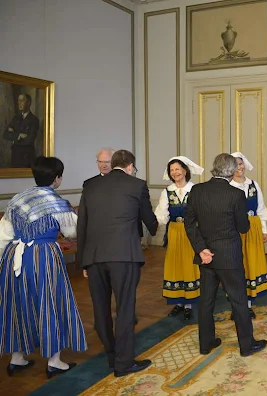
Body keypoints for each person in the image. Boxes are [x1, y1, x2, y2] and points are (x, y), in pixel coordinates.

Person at [0, 156, 86, 378]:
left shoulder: (17, 199)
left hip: (14, 257)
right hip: (44, 256)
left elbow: (4, 235)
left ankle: (16, 358)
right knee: (50, 304)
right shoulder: (58, 203)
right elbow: (72, 233)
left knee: (18, 303)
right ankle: (54, 361)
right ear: (57, 178)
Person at [77, 149, 158, 377]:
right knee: (124, 309)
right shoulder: (137, 185)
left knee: (100, 309)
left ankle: (112, 356)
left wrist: (83, 261)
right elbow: (148, 219)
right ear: (130, 166)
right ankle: (124, 363)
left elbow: (81, 225)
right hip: (124, 256)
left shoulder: (90, 186)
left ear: (112, 164)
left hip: (94, 257)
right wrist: (157, 226)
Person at [184, 153, 267, 357]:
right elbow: (243, 227)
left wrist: (201, 248)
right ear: (231, 171)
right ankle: (247, 346)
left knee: (206, 301)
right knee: (238, 300)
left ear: (214, 168)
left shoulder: (197, 190)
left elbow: (188, 223)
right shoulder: (236, 195)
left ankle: (206, 343)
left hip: (206, 256)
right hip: (229, 256)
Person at [154, 156, 204, 320]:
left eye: (177, 169)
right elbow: (161, 215)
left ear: (185, 170)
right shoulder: (167, 192)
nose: (174, 172)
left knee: (190, 265)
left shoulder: (196, 190)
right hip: (174, 232)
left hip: (192, 232)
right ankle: (179, 302)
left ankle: (189, 304)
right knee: (176, 265)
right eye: (172, 170)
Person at [230, 152, 267, 319]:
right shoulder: (228, 186)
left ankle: (247, 305)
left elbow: (261, 208)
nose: (238, 167)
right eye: (235, 165)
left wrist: (264, 229)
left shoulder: (253, 185)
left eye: (240, 164)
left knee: (250, 265)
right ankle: (236, 306)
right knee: (237, 267)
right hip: (235, 230)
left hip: (252, 229)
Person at [3, 93, 39, 168]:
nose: (19, 103)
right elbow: (5, 134)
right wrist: (19, 135)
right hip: (15, 157)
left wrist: (13, 135)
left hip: (27, 158)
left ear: (28, 103)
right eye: (18, 101)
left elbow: (29, 140)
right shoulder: (16, 118)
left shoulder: (34, 120)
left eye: (22, 100)